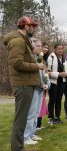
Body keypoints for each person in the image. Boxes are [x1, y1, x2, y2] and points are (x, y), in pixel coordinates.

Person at [3, 16, 44, 151]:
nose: (34, 28)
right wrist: (37, 66)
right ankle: (18, 148)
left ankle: (18, 147)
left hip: (26, 84)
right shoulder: (18, 41)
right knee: (20, 120)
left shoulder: (23, 41)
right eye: (32, 26)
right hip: (23, 84)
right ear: (26, 27)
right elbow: (17, 64)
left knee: (22, 118)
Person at [24, 39, 50, 145]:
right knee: (31, 113)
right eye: (38, 45)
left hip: (41, 89)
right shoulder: (30, 60)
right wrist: (41, 84)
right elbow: (33, 76)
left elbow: (44, 74)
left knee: (36, 113)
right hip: (34, 88)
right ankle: (25, 137)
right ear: (32, 47)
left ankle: (32, 134)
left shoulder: (41, 59)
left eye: (40, 45)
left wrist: (47, 84)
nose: (40, 47)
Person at [47, 43, 67, 124]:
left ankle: (57, 117)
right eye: (58, 49)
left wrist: (66, 74)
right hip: (54, 82)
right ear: (55, 49)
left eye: (62, 49)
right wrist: (58, 74)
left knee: (59, 100)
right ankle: (51, 118)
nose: (60, 50)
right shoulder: (51, 57)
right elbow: (48, 72)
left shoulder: (65, 58)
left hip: (62, 82)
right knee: (52, 100)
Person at [36, 42, 50, 130]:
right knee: (38, 104)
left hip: (44, 83)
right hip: (38, 84)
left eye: (47, 48)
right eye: (43, 47)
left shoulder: (45, 59)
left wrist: (46, 83)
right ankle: (36, 124)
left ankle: (39, 124)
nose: (45, 49)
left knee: (42, 104)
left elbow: (45, 73)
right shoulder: (38, 59)